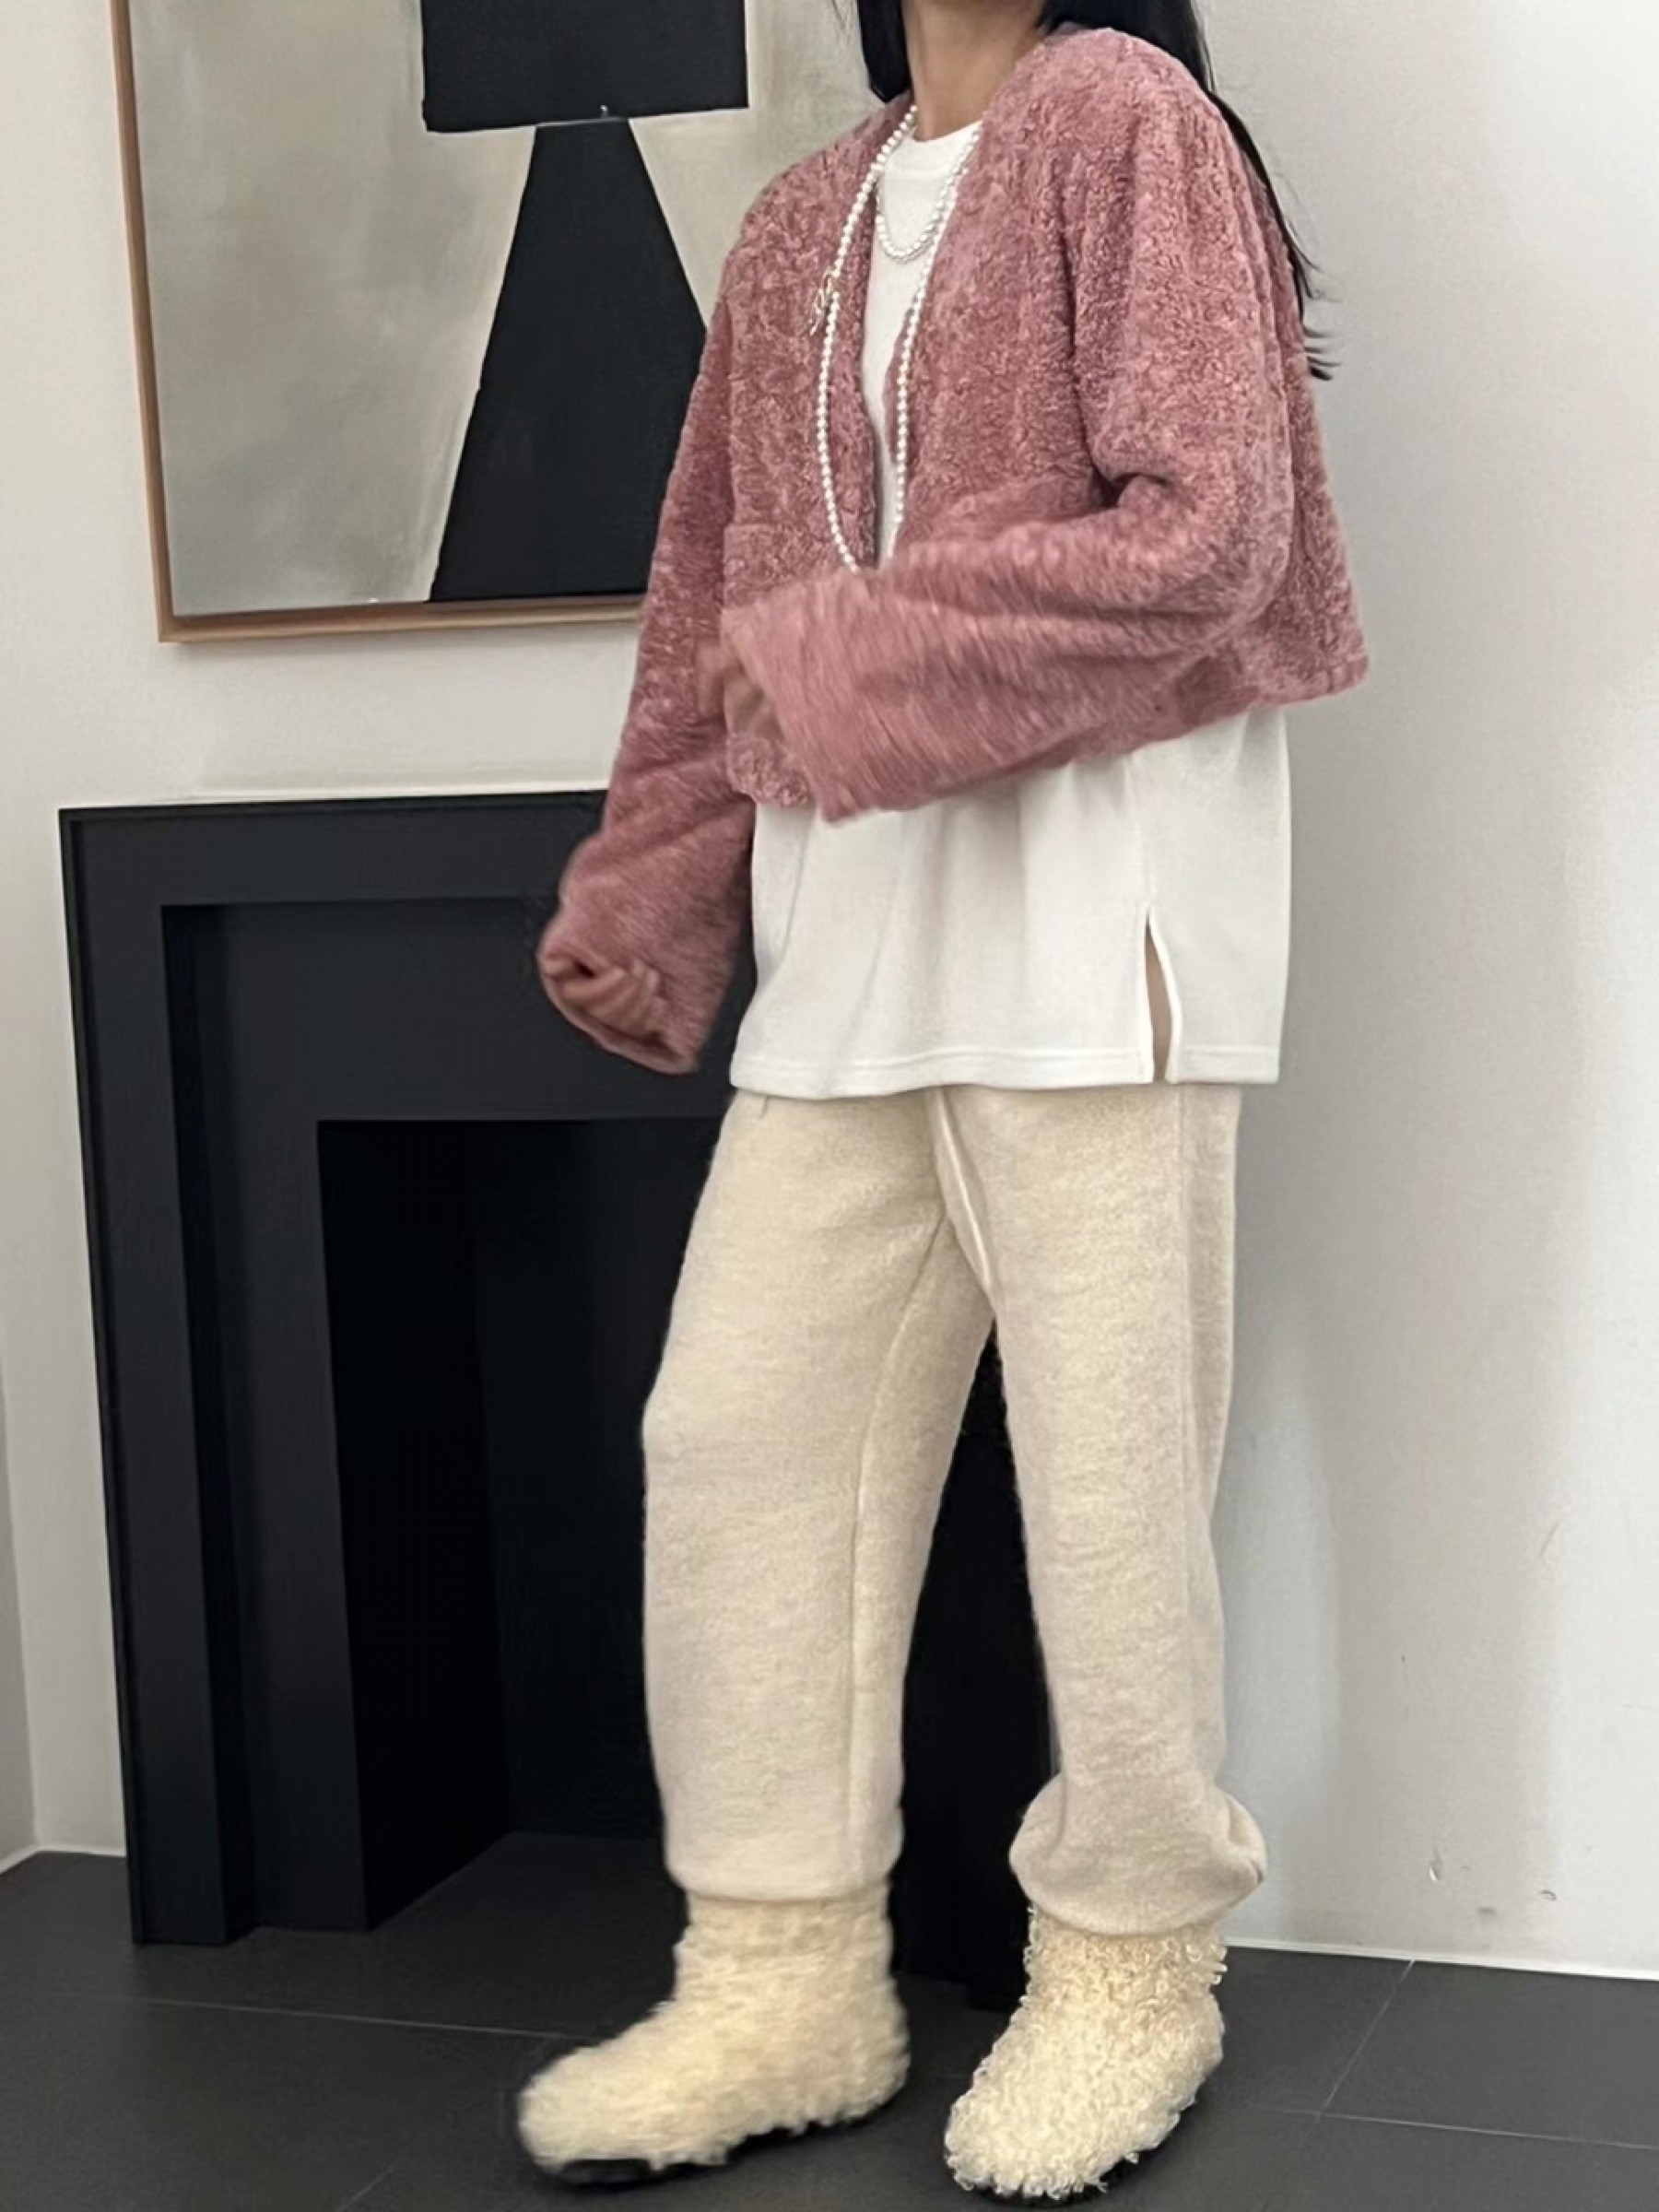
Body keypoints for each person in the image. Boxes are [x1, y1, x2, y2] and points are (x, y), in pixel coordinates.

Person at [524, 1, 1366, 2196]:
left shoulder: (1132, 118)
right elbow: (705, 605)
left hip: (1100, 931)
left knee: (1110, 1501)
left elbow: (1216, 528)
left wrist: (852, 652)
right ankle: (781, 1977)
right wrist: (652, 889)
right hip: (853, 945)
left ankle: (1134, 1971)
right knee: (742, 1448)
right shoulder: (803, 215)